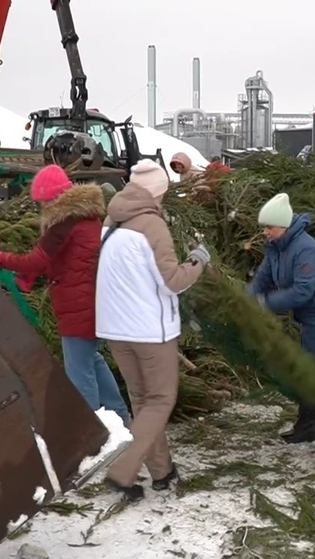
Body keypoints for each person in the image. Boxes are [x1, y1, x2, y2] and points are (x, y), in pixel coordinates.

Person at [95, 159, 210, 501]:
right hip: (148, 330)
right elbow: (172, 281)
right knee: (160, 400)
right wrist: (199, 260)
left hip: (115, 329)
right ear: (158, 192)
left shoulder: (110, 222)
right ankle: (122, 470)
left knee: (142, 402)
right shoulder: (151, 225)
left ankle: (162, 472)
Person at [0, 164, 130, 424]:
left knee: (79, 372)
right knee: (92, 359)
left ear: (53, 197)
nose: (42, 208)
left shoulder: (63, 222)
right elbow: (60, 258)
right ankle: (120, 416)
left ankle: (89, 430)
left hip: (78, 305)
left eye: (43, 202)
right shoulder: (87, 216)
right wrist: (27, 278)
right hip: (93, 300)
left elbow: (36, 260)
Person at [247, 193, 315, 444]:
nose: (265, 232)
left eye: (269, 227)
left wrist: (265, 303)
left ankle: (307, 426)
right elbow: (261, 280)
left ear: (283, 226)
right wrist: (244, 300)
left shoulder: (304, 248)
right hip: (313, 318)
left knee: (310, 373)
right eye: (263, 227)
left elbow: (302, 291)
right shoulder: (277, 249)